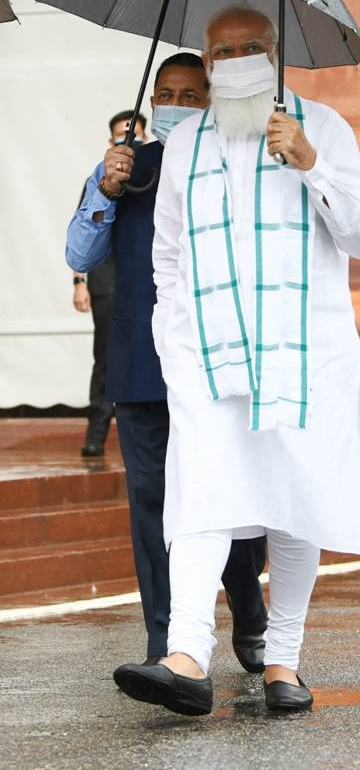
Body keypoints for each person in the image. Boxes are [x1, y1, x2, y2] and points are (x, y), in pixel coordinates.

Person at [113, 7, 360, 717]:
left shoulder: (324, 127)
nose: (237, 58)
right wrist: (172, 340)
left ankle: (283, 661)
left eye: (251, 47)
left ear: (273, 56)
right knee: (199, 495)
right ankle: (185, 656)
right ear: (208, 62)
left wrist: (310, 164)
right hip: (207, 359)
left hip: (306, 356)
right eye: (224, 50)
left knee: (296, 498)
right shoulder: (186, 146)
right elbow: (168, 256)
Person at [66, 52, 268, 672]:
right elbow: (79, 247)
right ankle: (165, 643)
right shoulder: (124, 169)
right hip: (140, 360)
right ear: (152, 100)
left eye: (190, 95)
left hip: (214, 360)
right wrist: (106, 188)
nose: (176, 105)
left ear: (210, 102)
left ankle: (249, 612)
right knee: (151, 502)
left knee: (224, 495)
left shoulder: (232, 169)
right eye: (167, 94)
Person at [73, 110, 147, 457]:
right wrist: (78, 282)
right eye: (121, 135)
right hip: (105, 283)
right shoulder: (101, 175)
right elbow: (81, 232)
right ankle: (96, 434)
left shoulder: (156, 171)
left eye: (134, 134)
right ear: (110, 140)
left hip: (143, 282)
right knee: (104, 359)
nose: (128, 140)